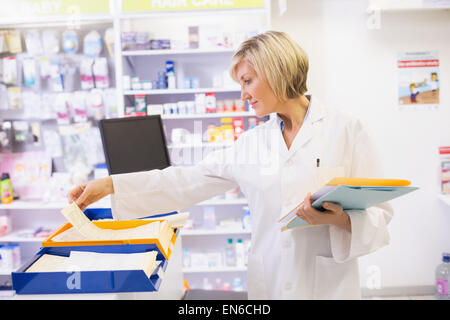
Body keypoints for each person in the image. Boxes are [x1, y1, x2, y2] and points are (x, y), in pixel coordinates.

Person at [68, 31, 393, 300]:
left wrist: (342, 220)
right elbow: (186, 181)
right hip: (269, 283)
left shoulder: (346, 130)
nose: (243, 94)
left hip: (328, 285)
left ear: (277, 71)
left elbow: (381, 214)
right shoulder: (252, 143)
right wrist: (111, 185)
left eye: (248, 81)